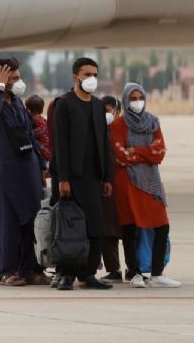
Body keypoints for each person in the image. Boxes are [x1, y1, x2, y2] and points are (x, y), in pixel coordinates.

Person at [0, 59, 48, 286]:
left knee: (30, 221)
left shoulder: (18, 103)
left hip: (28, 168)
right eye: (12, 78)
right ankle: (7, 271)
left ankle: (28, 269)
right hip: (4, 170)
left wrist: (42, 165)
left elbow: (29, 135)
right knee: (7, 223)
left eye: (18, 77)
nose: (18, 82)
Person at [51, 57, 114, 291]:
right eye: (87, 74)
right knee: (71, 227)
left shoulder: (98, 106)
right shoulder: (64, 104)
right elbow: (61, 144)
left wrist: (108, 177)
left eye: (95, 74)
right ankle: (66, 273)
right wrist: (64, 178)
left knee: (96, 227)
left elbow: (105, 144)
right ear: (75, 77)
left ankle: (88, 274)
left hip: (93, 176)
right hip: (71, 177)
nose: (92, 79)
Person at [110, 83, 180, 288]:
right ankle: (136, 273)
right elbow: (120, 156)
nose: (137, 102)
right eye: (133, 98)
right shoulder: (118, 125)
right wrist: (146, 153)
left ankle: (157, 273)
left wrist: (137, 151)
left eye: (140, 97)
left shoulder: (153, 122)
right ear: (125, 100)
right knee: (130, 228)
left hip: (151, 182)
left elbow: (160, 153)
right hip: (127, 182)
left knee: (162, 225)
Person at [97, 95, 123, 282]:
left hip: (125, 185)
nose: (106, 115)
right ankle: (114, 269)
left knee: (131, 231)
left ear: (117, 111)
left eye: (108, 111)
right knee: (108, 231)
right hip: (107, 186)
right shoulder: (97, 132)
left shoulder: (124, 130)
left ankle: (135, 268)